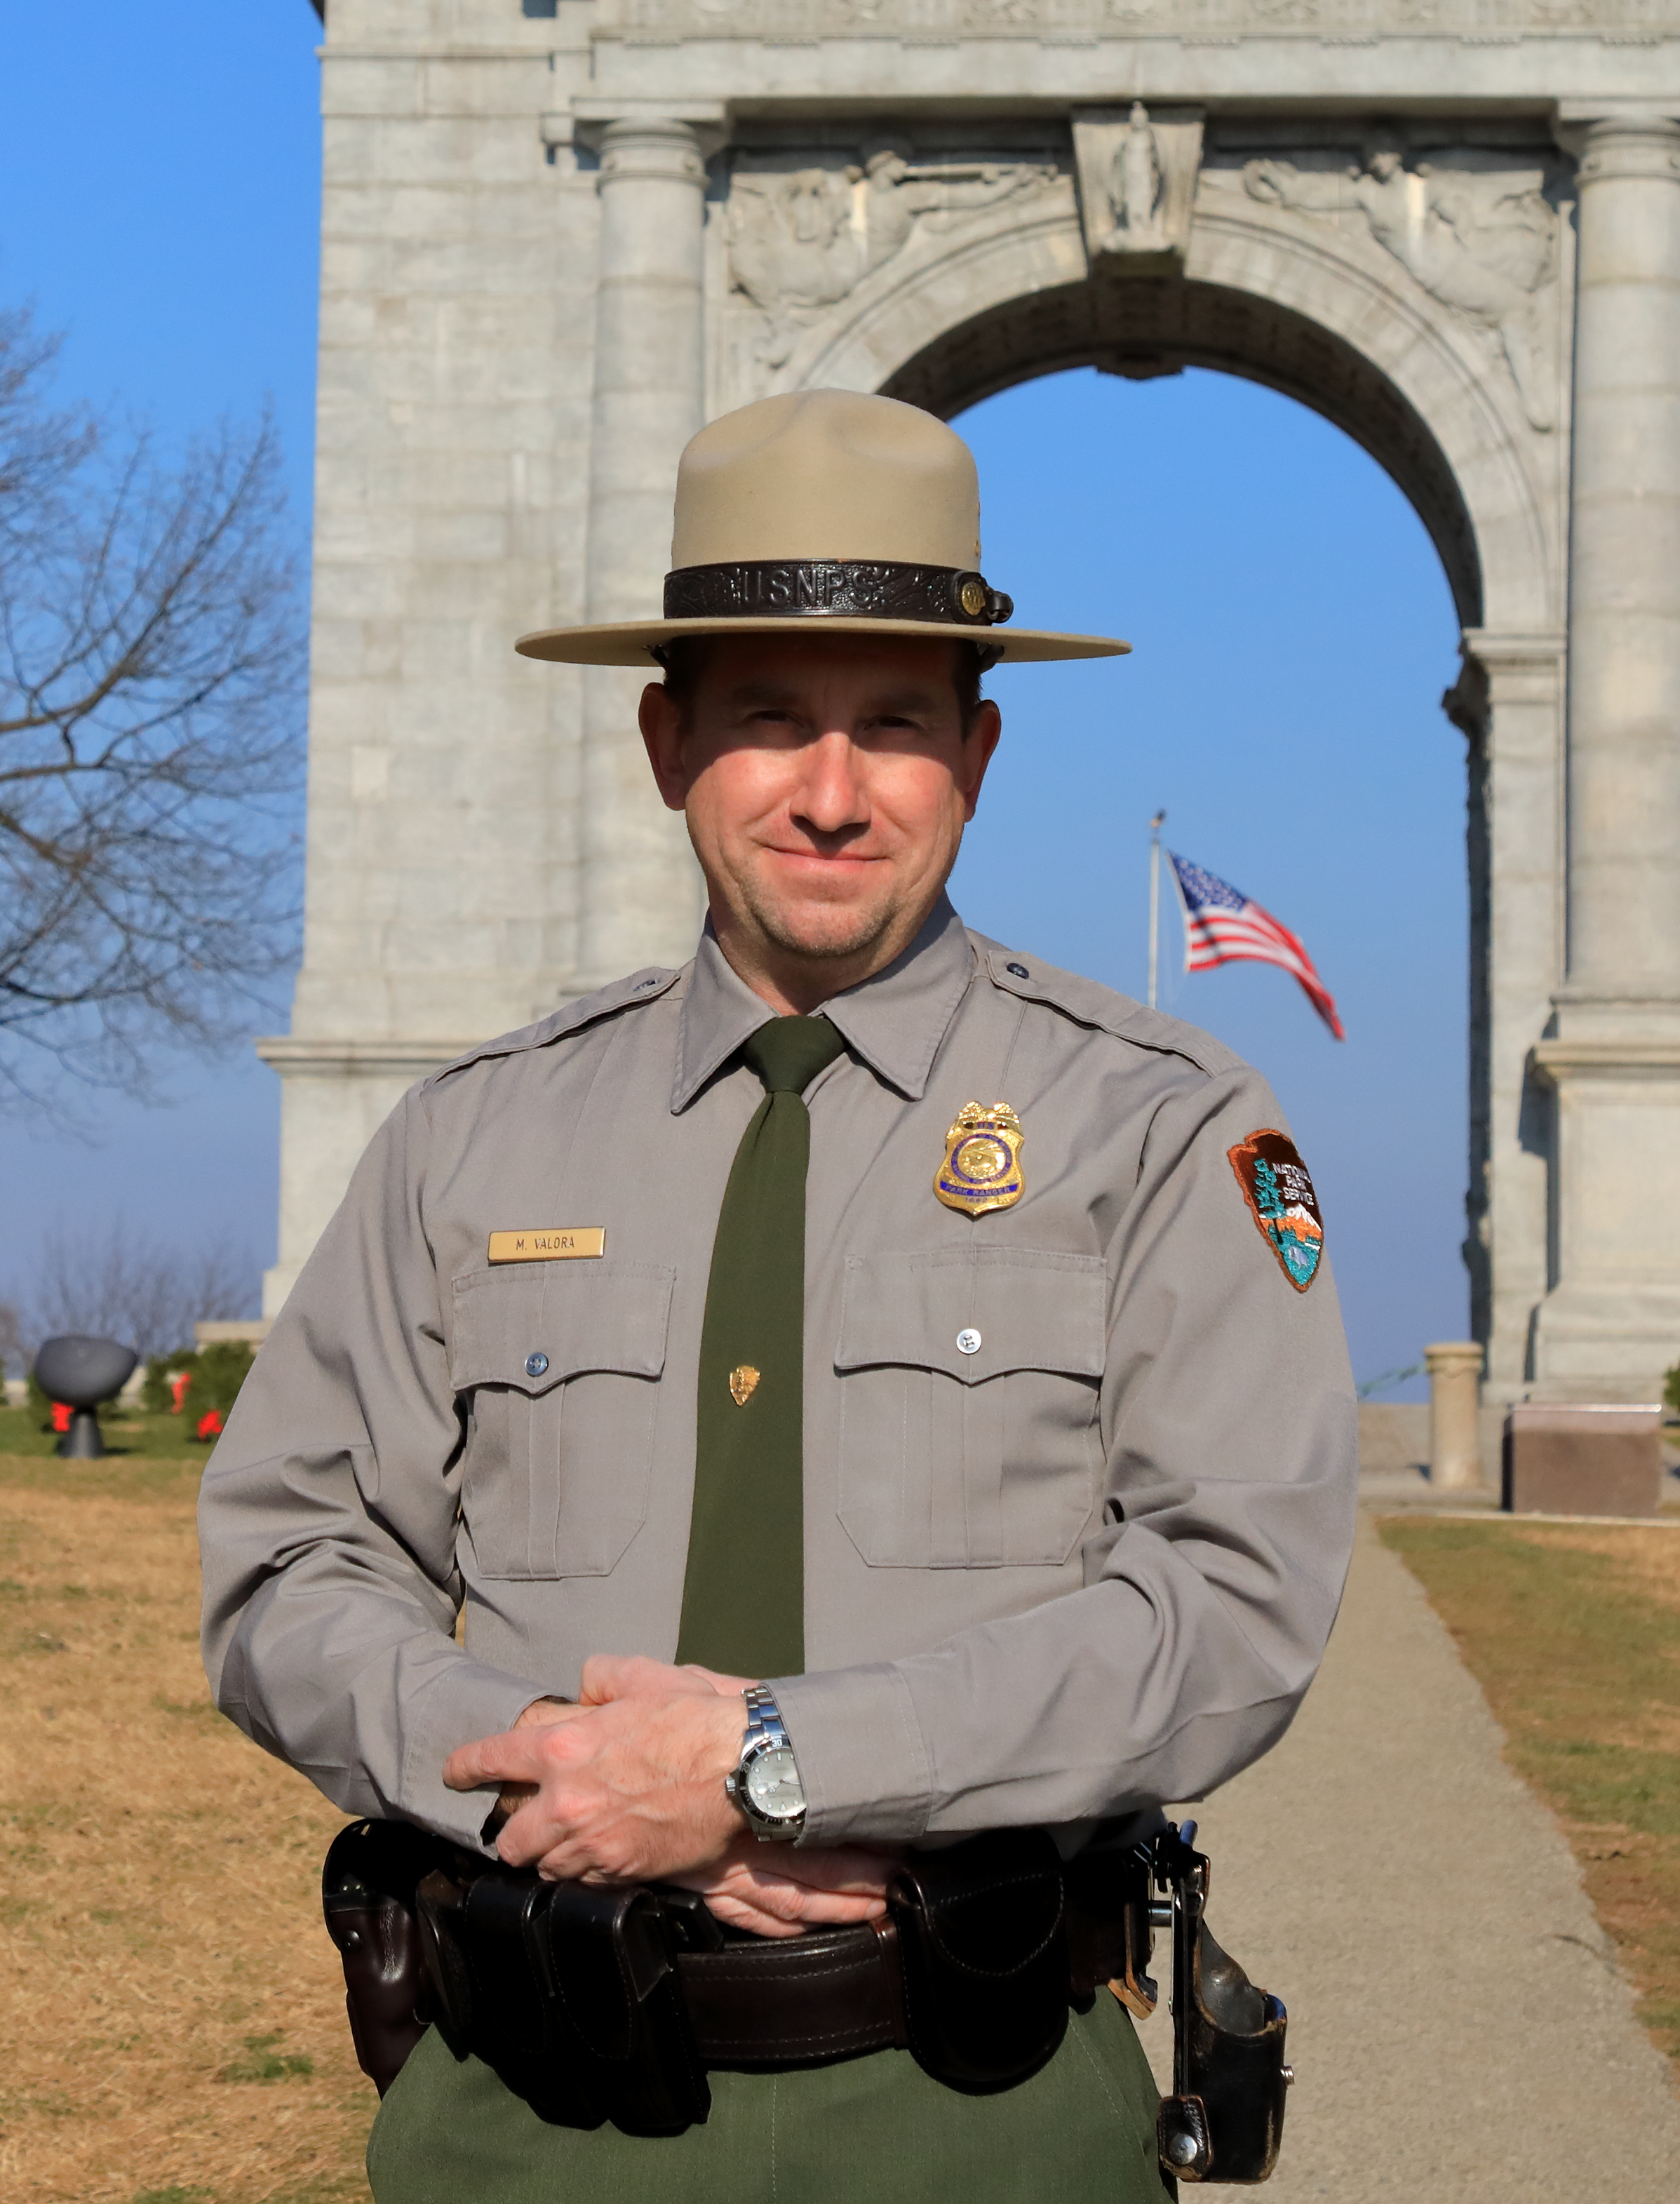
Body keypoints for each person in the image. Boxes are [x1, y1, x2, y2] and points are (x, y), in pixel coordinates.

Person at [198, 388, 1357, 2202]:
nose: (832, 791)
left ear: (976, 751)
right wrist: (543, 1780)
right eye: (767, 722)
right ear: (668, 744)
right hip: (528, 2114)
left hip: (975, 2116)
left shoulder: (1164, 1125)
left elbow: (1234, 1598)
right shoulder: (467, 1137)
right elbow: (287, 1559)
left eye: (893, 725)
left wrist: (777, 1764)